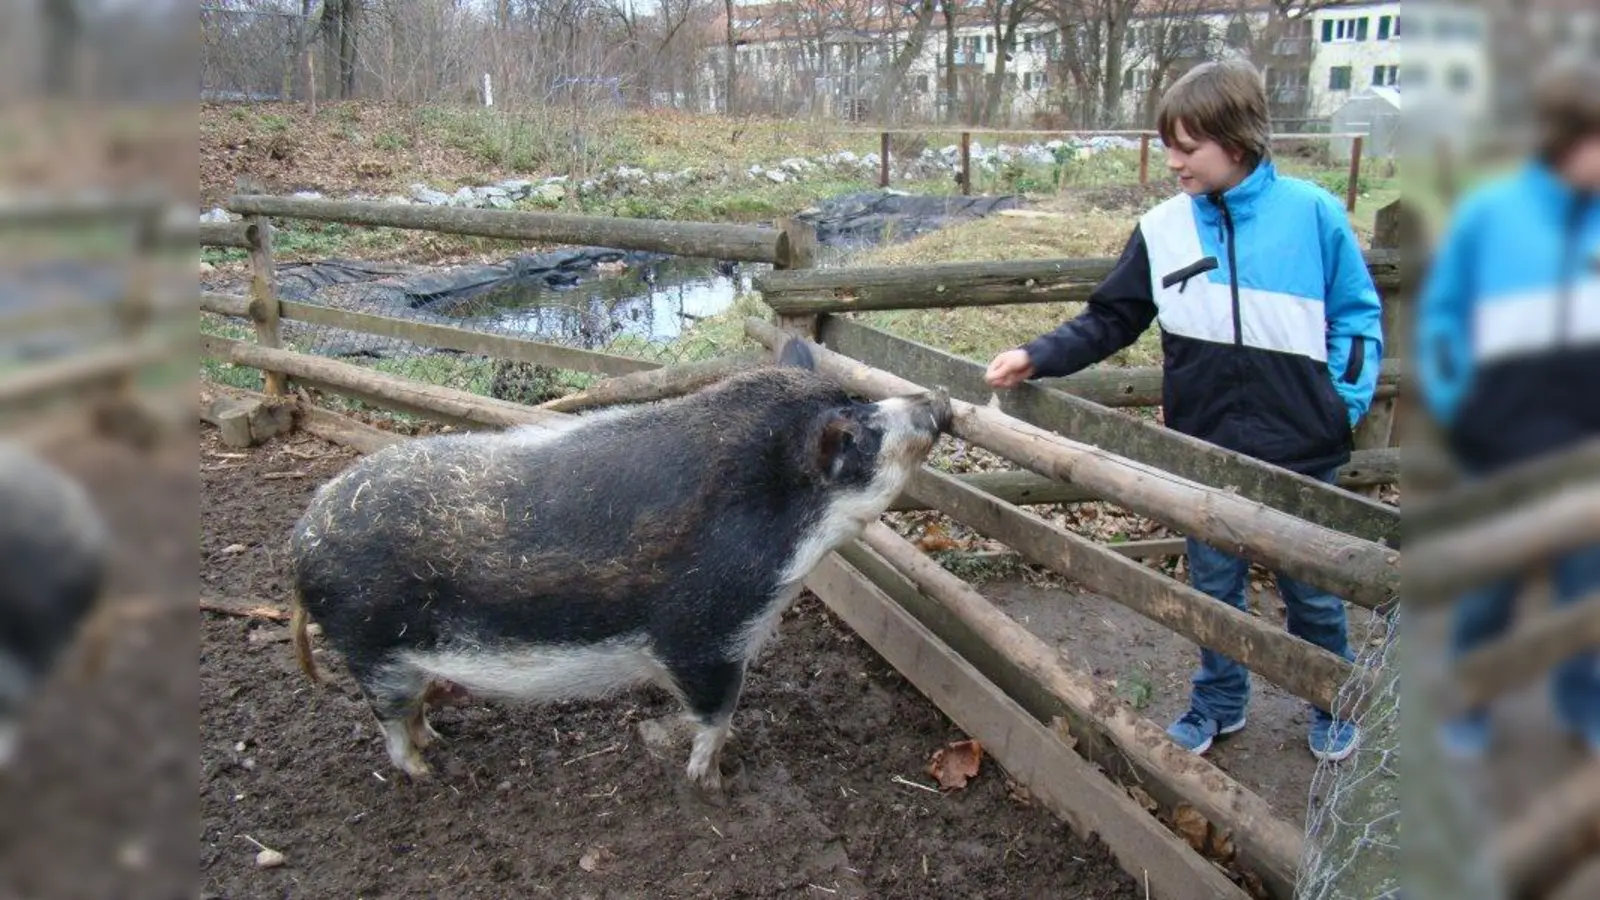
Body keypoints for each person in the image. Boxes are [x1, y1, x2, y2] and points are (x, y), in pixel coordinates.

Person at [984, 59, 1383, 762]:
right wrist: (1037, 354)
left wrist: (1338, 409)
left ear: (1238, 140)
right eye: (1168, 143)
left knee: (1313, 594)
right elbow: (1111, 319)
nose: (1171, 161)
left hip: (1302, 450)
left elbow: (1356, 321)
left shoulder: (1312, 215)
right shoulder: (1164, 228)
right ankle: (1220, 702)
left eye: (1187, 146)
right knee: (1213, 589)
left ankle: (1334, 700)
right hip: (1202, 454)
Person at [1416, 54, 1600, 759]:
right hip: (1498, 450)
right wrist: (1463, 409)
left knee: (1585, 591)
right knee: (1487, 592)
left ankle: (1582, 704)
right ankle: (1468, 701)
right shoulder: (1493, 215)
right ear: (1568, 137)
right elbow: (1442, 320)